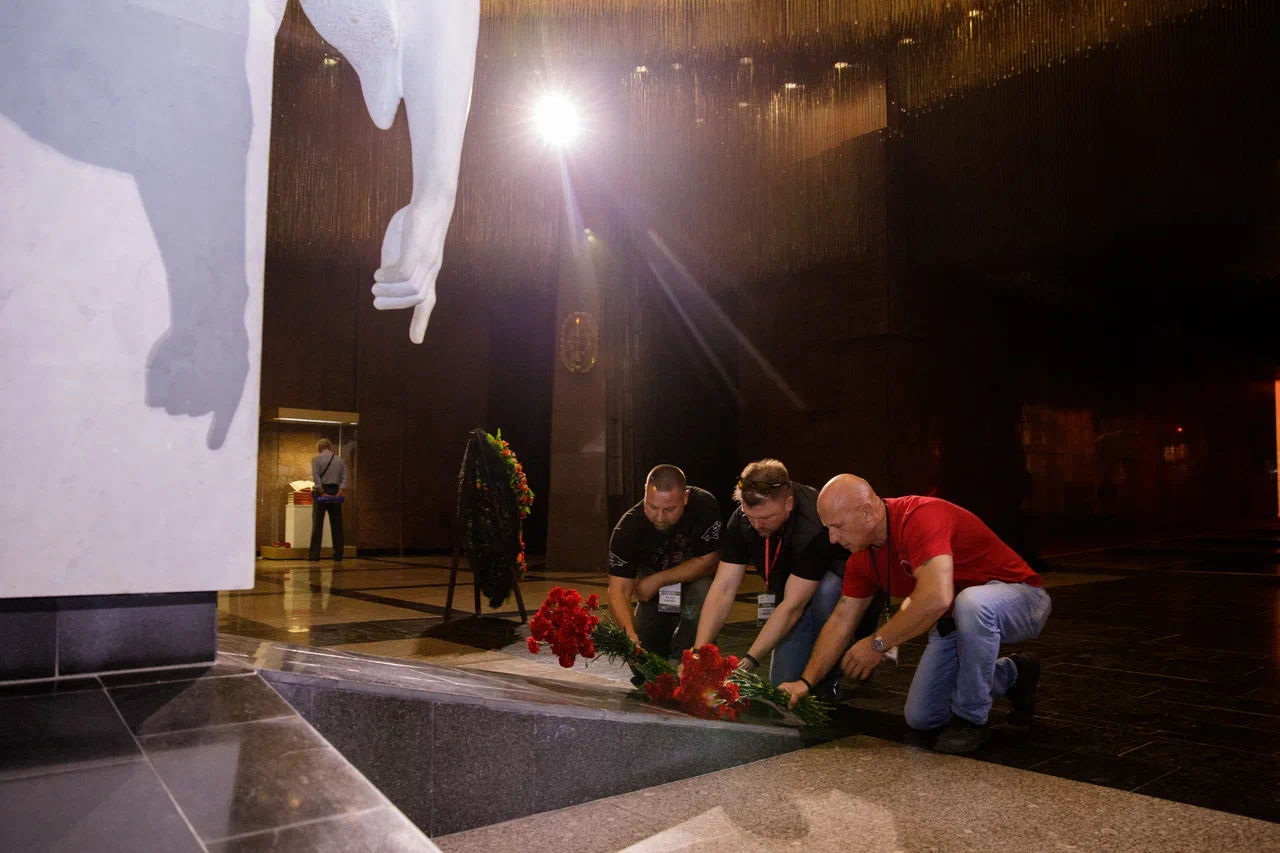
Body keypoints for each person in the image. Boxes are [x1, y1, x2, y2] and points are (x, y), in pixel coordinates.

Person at [780, 475, 1051, 754]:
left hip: (1022, 599)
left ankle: (971, 720)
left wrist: (878, 643)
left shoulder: (920, 516)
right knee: (922, 717)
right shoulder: (861, 559)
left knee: (971, 603)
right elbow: (841, 620)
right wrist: (805, 682)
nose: (833, 538)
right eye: (828, 529)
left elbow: (937, 596)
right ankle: (1015, 673)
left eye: (837, 526)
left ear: (867, 512)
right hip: (953, 621)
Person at [692, 459, 882, 698]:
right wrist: (698, 652)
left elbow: (793, 606)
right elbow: (723, 587)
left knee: (826, 591)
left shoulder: (813, 525)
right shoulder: (743, 519)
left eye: (766, 517)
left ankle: (831, 673)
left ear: (788, 503)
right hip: (793, 589)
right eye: (750, 516)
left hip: (839, 590)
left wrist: (748, 662)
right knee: (780, 684)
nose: (756, 525)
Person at [608, 465, 722, 678]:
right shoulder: (627, 528)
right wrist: (629, 634)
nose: (659, 517)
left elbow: (710, 561)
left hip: (694, 584)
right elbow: (618, 591)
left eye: (669, 509)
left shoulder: (703, 505)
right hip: (655, 596)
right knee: (641, 666)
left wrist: (659, 579)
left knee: (703, 590)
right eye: (652, 507)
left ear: (685, 497)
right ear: (644, 493)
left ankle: (687, 658)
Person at [309, 438, 348, 562]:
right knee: (337, 524)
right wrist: (339, 492)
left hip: (322, 492)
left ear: (319, 448)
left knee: (317, 524)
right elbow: (344, 477)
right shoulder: (339, 460)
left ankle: (314, 555)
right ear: (330, 447)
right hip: (335, 491)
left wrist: (322, 492)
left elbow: (316, 478)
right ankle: (338, 554)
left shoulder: (316, 459)